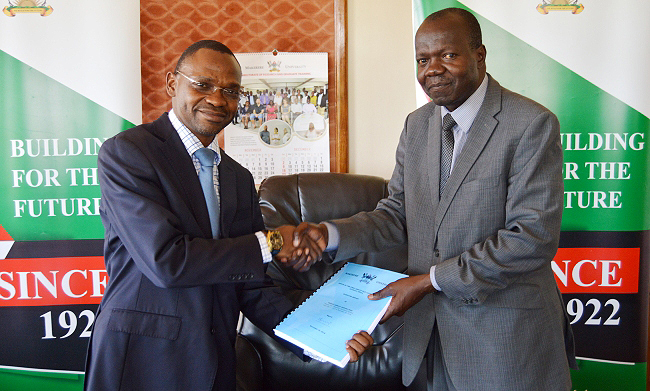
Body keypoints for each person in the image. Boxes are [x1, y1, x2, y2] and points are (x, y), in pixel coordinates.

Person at [288, 8, 576, 391]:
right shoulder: (417, 125)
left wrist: (429, 282)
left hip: (505, 343)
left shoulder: (530, 124)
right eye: (423, 60)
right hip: (432, 339)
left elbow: (530, 238)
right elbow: (395, 214)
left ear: (480, 55)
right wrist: (330, 235)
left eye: (448, 55)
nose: (432, 69)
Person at [84, 40, 372, 391]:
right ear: (172, 84)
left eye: (231, 91)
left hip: (214, 358)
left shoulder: (238, 177)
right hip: (143, 358)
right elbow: (167, 261)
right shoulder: (129, 153)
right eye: (202, 85)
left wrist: (324, 339)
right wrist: (274, 241)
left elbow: (251, 285)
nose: (218, 100)